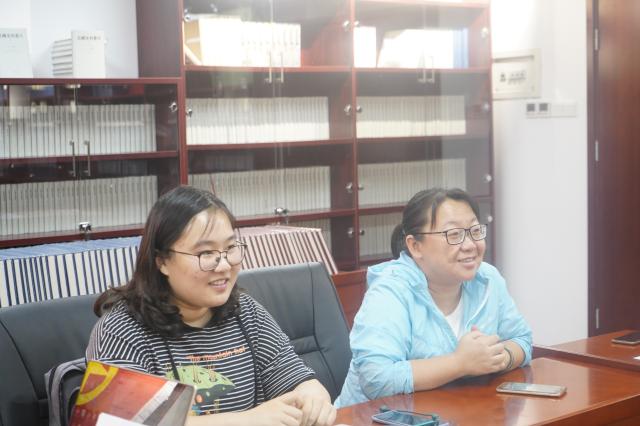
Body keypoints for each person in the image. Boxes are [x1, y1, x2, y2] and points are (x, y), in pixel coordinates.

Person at [86, 185, 336, 426]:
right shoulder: (122, 331)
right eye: (206, 253)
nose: (224, 265)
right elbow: (116, 422)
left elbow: (298, 380)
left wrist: (313, 398)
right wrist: (246, 421)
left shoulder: (245, 312)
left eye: (230, 248)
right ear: (162, 261)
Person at [334, 188, 532, 407]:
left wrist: (497, 358)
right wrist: (460, 363)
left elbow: (522, 339)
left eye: (475, 231)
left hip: (459, 411)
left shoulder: (487, 279)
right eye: (454, 234)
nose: (469, 245)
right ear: (415, 246)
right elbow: (377, 379)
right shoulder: (391, 290)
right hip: (376, 418)